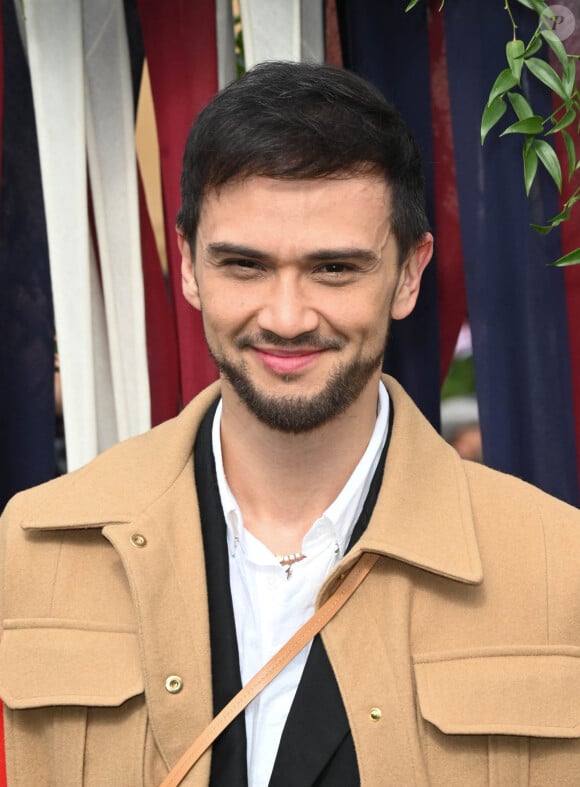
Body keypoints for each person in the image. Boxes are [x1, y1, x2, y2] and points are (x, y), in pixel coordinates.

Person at [1, 61, 580, 787]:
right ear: (186, 263)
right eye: (243, 264)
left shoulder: (561, 570)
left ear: (409, 272)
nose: (286, 317)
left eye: (334, 268)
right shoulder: (34, 549)